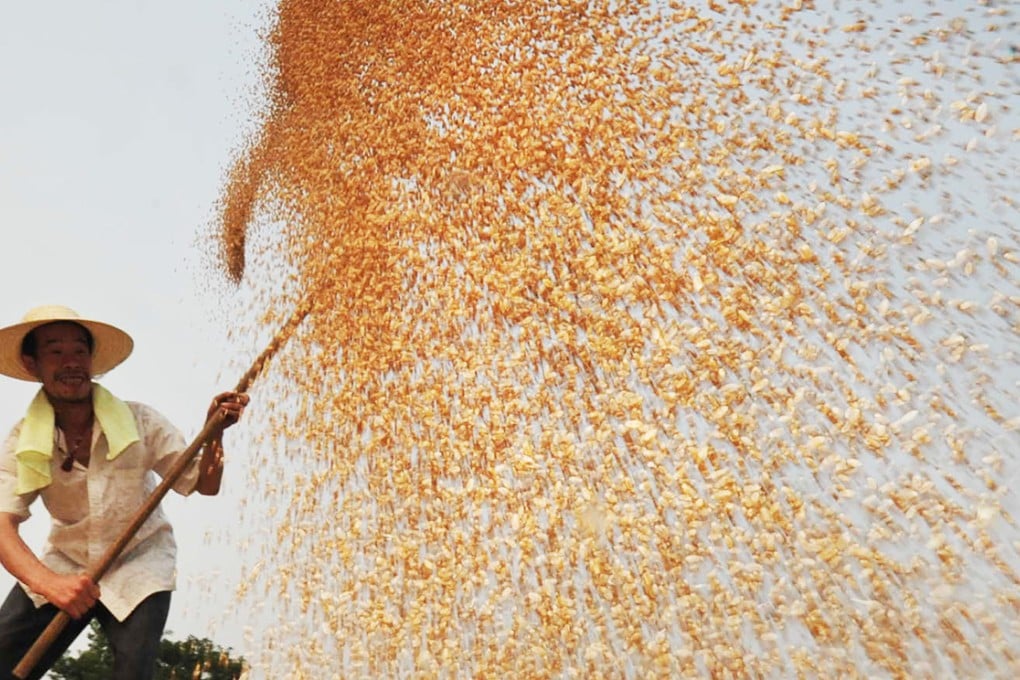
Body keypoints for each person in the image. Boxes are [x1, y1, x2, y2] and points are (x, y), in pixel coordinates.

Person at [0, 305, 248, 680]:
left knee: (133, 670)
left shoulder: (141, 421)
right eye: (56, 351)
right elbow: (3, 526)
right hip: (67, 564)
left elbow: (204, 484)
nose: (71, 362)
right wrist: (50, 584)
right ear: (32, 363)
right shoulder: (23, 441)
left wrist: (214, 435)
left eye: (79, 350)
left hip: (140, 564)